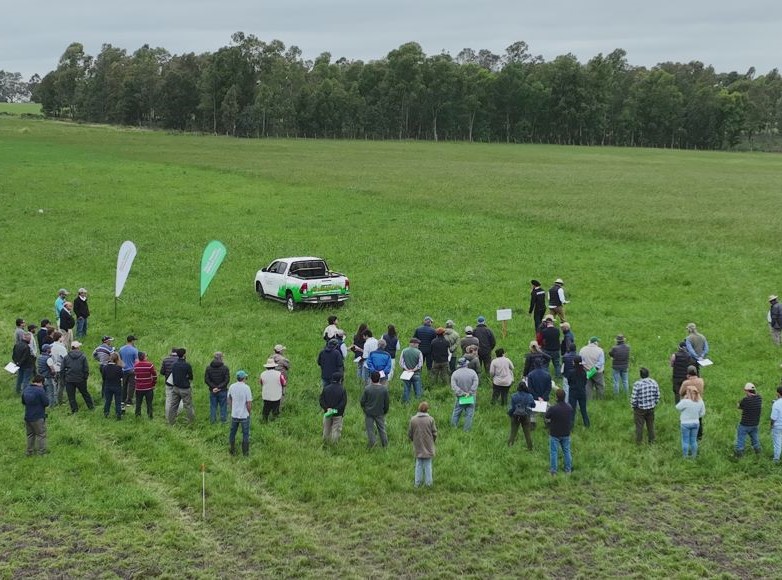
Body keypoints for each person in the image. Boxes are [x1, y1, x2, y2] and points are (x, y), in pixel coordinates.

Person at [408, 401, 437, 487]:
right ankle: (428, 484)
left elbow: (410, 433)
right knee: (428, 465)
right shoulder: (430, 419)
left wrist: (413, 440)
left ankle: (417, 483)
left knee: (418, 464)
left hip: (418, 444)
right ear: (427, 410)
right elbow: (434, 433)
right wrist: (432, 441)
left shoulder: (413, 419)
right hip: (428, 445)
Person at [545, 389, 573, 475]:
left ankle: (553, 471)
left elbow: (547, 416)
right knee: (567, 451)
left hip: (555, 433)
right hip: (566, 433)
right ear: (564, 397)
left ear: (556, 397)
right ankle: (568, 469)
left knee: (554, 452)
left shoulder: (553, 408)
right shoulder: (569, 408)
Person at [61, 341, 94, 413]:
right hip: (80, 379)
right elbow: (86, 368)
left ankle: (74, 410)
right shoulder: (82, 357)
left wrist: (64, 379)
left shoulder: (66, 357)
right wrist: (85, 377)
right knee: (85, 393)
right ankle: (91, 407)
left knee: (71, 396)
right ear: (78, 347)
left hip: (69, 379)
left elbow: (62, 369)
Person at [360, 371, 390, 448]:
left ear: (371, 378)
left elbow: (362, 401)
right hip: (380, 412)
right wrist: (385, 411)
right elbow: (386, 402)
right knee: (382, 429)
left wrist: (365, 409)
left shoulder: (367, 389)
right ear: (379, 378)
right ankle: (385, 444)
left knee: (370, 429)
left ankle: (373, 443)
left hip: (369, 412)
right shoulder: (384, 389)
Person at [630, 368, 660, 444]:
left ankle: (639, 442)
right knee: (650, 425)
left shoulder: (637, 384)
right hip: (651, 408)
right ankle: (652, 441)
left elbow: (634, 398)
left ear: (640, 375)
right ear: (648, 374)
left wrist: (634, 406)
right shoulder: (654, 382)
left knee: (639, 426)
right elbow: (657, 395)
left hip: (640, 409)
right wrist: (654, 403)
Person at [22, 375, 49, 456]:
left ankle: (29, 451)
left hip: (28, 416)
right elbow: (46, 403)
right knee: (41, 434)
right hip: (38, 416)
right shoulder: (40, 390)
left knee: (30, 434)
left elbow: (23, 402)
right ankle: (41, 452)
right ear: (41, 382)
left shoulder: (26, 389)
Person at [228, 370, 253, 456]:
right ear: (244, 378)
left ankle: (232, 450)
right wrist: (249, 412)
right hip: (244, 415)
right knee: (245, 434)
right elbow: (249, 403)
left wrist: (232, 407)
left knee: (232, 433)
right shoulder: (246, 388)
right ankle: (245, 453)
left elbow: (229, 398)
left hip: (234, 414)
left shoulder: (232, 386)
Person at [676, 386, 706, 458]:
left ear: (688, 393)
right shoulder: (700, 401)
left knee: (685, 441)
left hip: (685, 423)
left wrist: (684, 399)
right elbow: (702, 413)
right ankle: (694, 456)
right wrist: (696, 416)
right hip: (695, 423)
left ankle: (685, 456)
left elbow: (677, 407)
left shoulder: (685, 401)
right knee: (693, 440)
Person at [450, 357, 479, 431]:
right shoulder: (472, 372)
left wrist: (462, 393)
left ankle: (453, 428)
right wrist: (470, 393)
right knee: (469, 414)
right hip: (471, 396)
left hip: (460, 397)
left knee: (456, 412)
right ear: (466, 364)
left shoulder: (455, 374)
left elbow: (454, 386)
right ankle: (467, 430)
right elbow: (475, 383)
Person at [168, 348, 195, 425]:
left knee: (173, 406)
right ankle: (191, 422)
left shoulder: (174, 365)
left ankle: (171, 422)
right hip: (185, 388)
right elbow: (191, 377)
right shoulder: (187, 365)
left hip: (175, 388)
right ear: (184, 355)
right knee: (188, 406)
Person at [735, 383, 762, 457]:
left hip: (745, 424)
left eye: (745, 391)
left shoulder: (745, 400)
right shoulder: (759, 398)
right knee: (755, 439)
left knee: (740, 440)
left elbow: (739, 406)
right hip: (755, 424)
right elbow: (755, 396)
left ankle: (739, 455)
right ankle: (758, 453)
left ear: (747, 391)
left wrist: (738, 404)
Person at [320, 372, 347, 443]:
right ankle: (334, 444)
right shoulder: (342, 390)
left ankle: (325, 442)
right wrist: (335, 409)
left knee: (326, 428)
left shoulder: (326, 388)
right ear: (340, 380)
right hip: (338, 413)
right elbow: (343, 403)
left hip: (327, 412)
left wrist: (327, 408)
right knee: (336, 429)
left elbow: (321, 400)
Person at [679, 366, 705, 440]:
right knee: (699, 419)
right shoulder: (701, 381)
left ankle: (690, 435)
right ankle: (699, 436)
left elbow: (680, 393)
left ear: (688, 374)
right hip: (699, 402)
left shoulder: (686, 383)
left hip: (689, 404)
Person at [507, 380, 535, 450]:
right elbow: (533, 405)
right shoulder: (530, 396)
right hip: (526, 416)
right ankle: (530, 447)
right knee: (527, 433)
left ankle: (510, 445)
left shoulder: (514, 396)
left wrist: (510, 414)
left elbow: (512, 408)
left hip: (515, 416)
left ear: (518, 387)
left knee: (513, 432)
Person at [205, 352, 230, 423]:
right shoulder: (225, 368)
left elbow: (207, 380)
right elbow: (227, 380)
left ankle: (213, 421)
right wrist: (219, 387)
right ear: (221, 358)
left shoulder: (208, 368)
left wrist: (214, 387)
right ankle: (223, 421)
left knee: (213, 406)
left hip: (213, 391)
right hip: (223, 390)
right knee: (223, 406)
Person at [565, 355, 590, 428]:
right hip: (582, 392)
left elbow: (568, 382)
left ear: (574, 362)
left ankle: (571, 426)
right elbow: (585, 382)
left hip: (573, 392)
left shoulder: (571, 372)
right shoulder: (583, 372)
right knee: (583, 410)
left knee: (572, 411)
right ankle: (587, 424)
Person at [133, 352, 157, 419]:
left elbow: (134, 376)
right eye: (146, 356)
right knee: (149, 403)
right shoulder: (149, 365)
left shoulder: (135, 365)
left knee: (138, 402)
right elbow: (154, 375)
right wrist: (153, 384)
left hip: (139, 388)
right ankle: (150, 416)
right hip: (148, 387)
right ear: (144, 357)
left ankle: (137, 416)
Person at [400, 337, 424, 403]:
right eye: (417, 343)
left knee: (406, 389)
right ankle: (418, 403)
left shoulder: (404, 351)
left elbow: (401, 363)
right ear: (413, 344)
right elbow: (420, 364)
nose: (418, 345)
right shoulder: (419, 352)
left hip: (406, 373)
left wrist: (407, 369)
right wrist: (413, 369)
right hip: (416, 374)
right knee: (417, 390)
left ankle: (406, 403)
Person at [101, 352, 124, 420]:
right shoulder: (119, 368)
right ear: (117, 360)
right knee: (118, 402)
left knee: (108, 401)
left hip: (108, 386)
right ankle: (118, 415)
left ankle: (106, 413)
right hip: (117, 386)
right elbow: (122, 376)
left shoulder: (105, 368)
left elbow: (103, 378)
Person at [119, 335, 139, 408]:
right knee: (131, 386)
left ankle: (122, 400)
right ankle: (129, 401)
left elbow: (120, 359)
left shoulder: (121, 349)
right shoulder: (134, 350)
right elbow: (136, 361)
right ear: (132, 341)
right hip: (132, 370)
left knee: (124, 385)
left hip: (123, 370)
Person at [160, 347, 180, 418]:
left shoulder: (165, 360)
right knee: (178, 399)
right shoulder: (180, 360)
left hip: (168, 383)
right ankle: (177, 415)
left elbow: (162, 372)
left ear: (171, 352)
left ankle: (168, 415)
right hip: (178, 383)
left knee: (168, 399)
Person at [49, 331, 67, 405]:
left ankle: (54, 400)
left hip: (52, 367)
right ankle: (59, 401)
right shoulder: (61, 347)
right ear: (59, 338)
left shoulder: (50, 346)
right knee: (61, 385)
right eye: (62, 336)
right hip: (60, 368)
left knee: (54, 384)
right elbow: (65, 358)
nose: (63, 338)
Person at [770, 386, 782, 462]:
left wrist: (771, 426)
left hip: (778, 426)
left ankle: (776, 459)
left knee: (777, 443)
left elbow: (773, 418)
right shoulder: (776, 403)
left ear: (778, 393)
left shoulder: (776, 404)